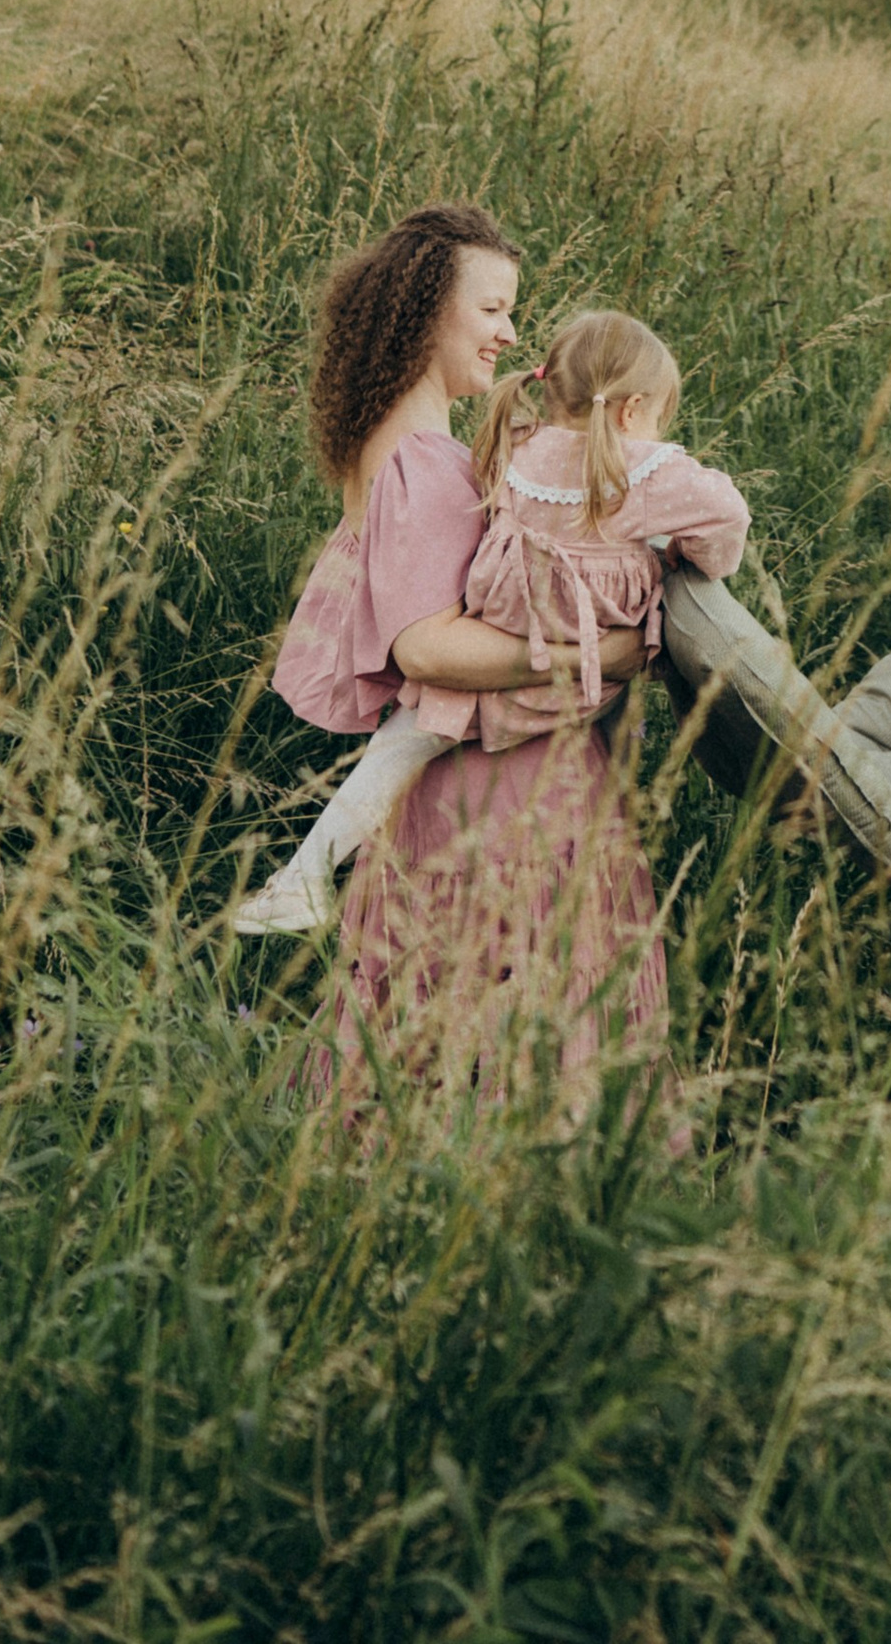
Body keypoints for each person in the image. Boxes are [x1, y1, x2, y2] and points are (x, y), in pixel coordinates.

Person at [246, 199, 667, 1108]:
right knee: (523, 1036)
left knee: (436, 1035)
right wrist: (612, 650)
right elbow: (427, 647)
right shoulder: (421, 461)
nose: (510, 334)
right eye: (492, 310)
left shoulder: (412, 447)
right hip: (499, 790)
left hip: (451, 786)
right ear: (428, 308)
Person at [237, 304, 747, 932]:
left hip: (499, 635)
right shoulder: (648, 472)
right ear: (630, 410)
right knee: (609, 728)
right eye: (658, 414)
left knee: (404, 740)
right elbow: (728, 516)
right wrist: (684, 555)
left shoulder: (516, 443)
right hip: (589, 657)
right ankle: (620, 820)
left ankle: (305, 876)